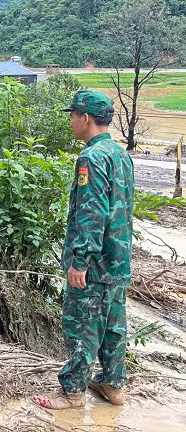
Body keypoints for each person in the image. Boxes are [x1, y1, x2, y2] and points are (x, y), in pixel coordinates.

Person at [33, 90, 134, 410]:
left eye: (73, 115)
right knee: (114, 325)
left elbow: (92, 214)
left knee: (82, 325)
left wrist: (79, 261)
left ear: (85, 118)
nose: (71, 121)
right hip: (117, 262)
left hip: (94, 264)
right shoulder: (120, 154)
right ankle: (113, 384)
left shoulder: (91, 158)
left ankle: (72, 392)